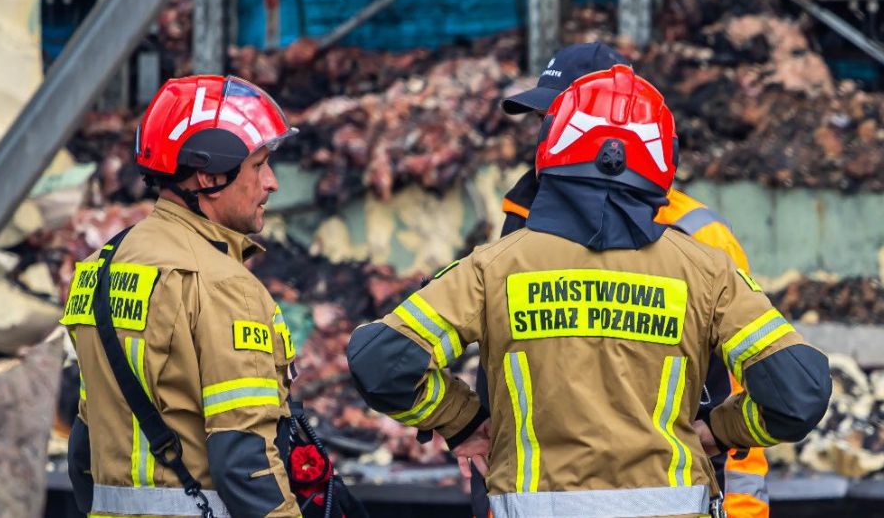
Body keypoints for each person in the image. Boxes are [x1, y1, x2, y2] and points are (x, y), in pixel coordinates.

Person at [347, 64, 831, 518]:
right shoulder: (707, 273)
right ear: (663, 161)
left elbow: (381, 363)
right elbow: (798, 395)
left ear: (552, 149)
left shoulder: (493, 268)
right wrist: (723, 430)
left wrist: (462, 420)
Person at [499, 42, 772, 517]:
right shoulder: (524, 213)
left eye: (561, 119)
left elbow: (744, 388)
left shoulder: (698, 235)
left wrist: (744, 507)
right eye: (544, 121)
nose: (545, 136)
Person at [63, 76, 303, 517]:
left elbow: (83, 450)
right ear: (210, 174)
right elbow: (244, 461)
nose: (272, 183)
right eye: (259, 165)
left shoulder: (99, 268)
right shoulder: (223, 285)